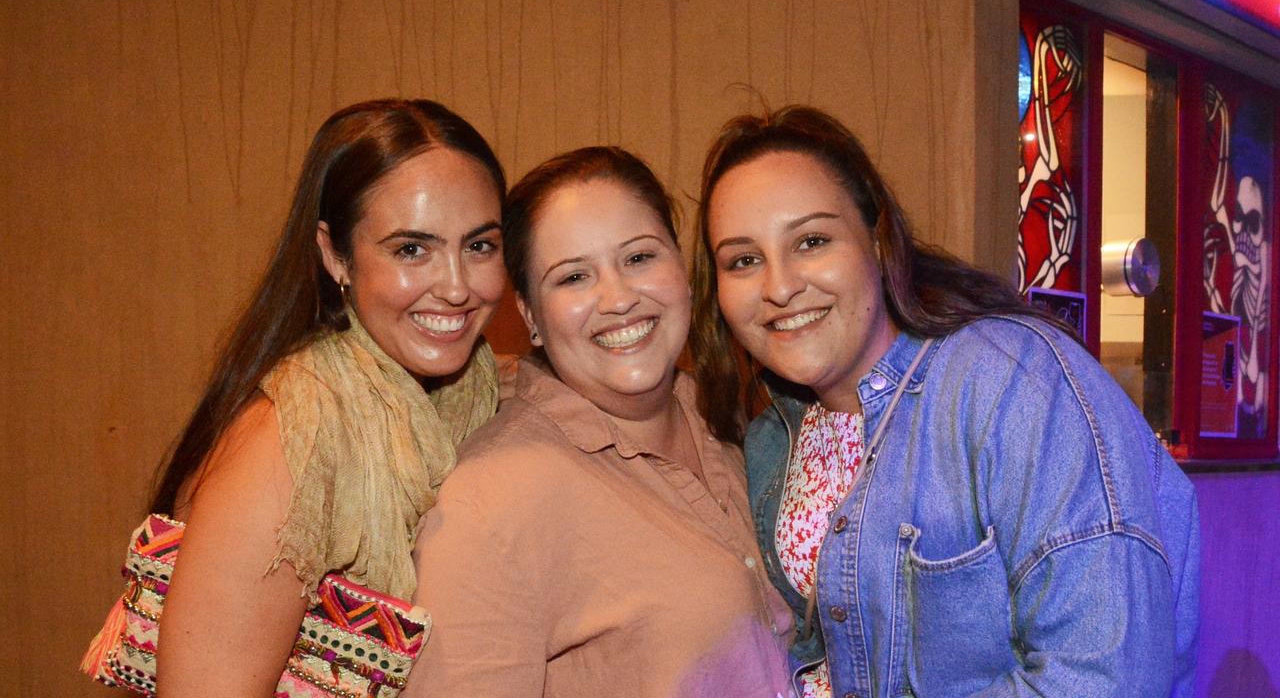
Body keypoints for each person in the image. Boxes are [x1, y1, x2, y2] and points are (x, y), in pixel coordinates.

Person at [691, 105, 1199, 698]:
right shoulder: (774, 433)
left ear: (877, 242)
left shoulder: (1011, 379)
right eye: (743, 260)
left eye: (811, 240)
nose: (778, 286)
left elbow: (1106, 677)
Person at [82, 98, 507, 697]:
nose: (458, 287)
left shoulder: (472, 389)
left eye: (480, 246)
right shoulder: (291, 444)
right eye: (411, 249)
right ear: (335, 254)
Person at [403, 146, 794, 697]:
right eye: (573, 277)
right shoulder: (490, 501)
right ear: (531, 316)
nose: (617, 299)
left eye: (638, 258)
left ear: (681, 268)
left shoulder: (738, 420)